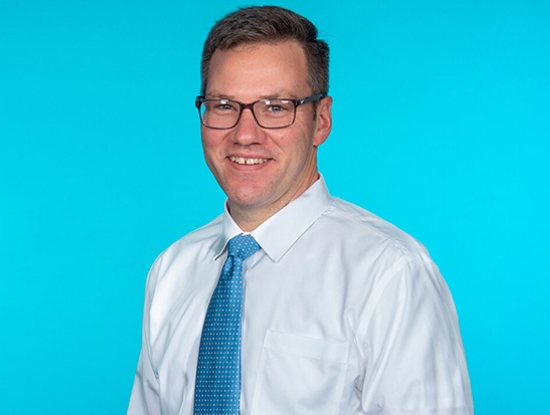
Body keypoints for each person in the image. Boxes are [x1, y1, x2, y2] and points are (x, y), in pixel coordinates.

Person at [127, 6, 472, 415]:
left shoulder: (391, 275)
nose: (245, 134)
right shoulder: (172, 270)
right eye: (224, 105)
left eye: (276, 107)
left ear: (321, 120)